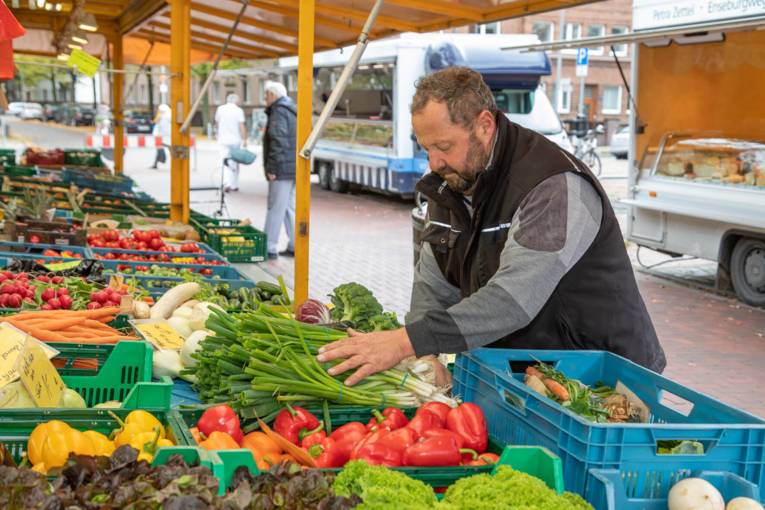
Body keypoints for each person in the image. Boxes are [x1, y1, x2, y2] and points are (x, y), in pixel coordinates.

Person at [317, 67, 666, 386]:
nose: (433, 162)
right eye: (426, 148)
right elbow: (433, 287)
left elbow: (512, 300)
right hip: (528, 372)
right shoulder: (451, 182)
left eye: (443, 146)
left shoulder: (551, 185)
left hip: (601, 377)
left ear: (484, 125)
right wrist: (425, 355)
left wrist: (406, 341)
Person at [262, 81, 297, 260]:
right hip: (292, 166)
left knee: (275, 206)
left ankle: (269, 246)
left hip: (281, 167)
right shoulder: (291, 109)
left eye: (267, 95)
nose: (265, 99)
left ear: (273, 95)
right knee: (289, 207)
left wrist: (272, 167)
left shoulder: (278, 111)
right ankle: (295, 244)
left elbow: (278, 139)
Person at [215, 93, 247, 192]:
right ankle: (234, 184)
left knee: (224, 161)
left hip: (223, 139)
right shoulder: (239, 110)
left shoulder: (220, 109)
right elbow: (241, 125)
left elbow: (217, 123)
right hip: (235, 140)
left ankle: (225, 182)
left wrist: (217, 132)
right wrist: (244, 139)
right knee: (235, 162)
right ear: (236, 101)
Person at [150, 104, 171, 170]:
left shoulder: (163, 116)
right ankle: (155, 164)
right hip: (165, 136)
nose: (158, 111)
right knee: (162, 149)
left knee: (161, 149)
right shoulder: (169, 115)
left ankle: (157, 163)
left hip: (162, 136)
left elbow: (157, 124)